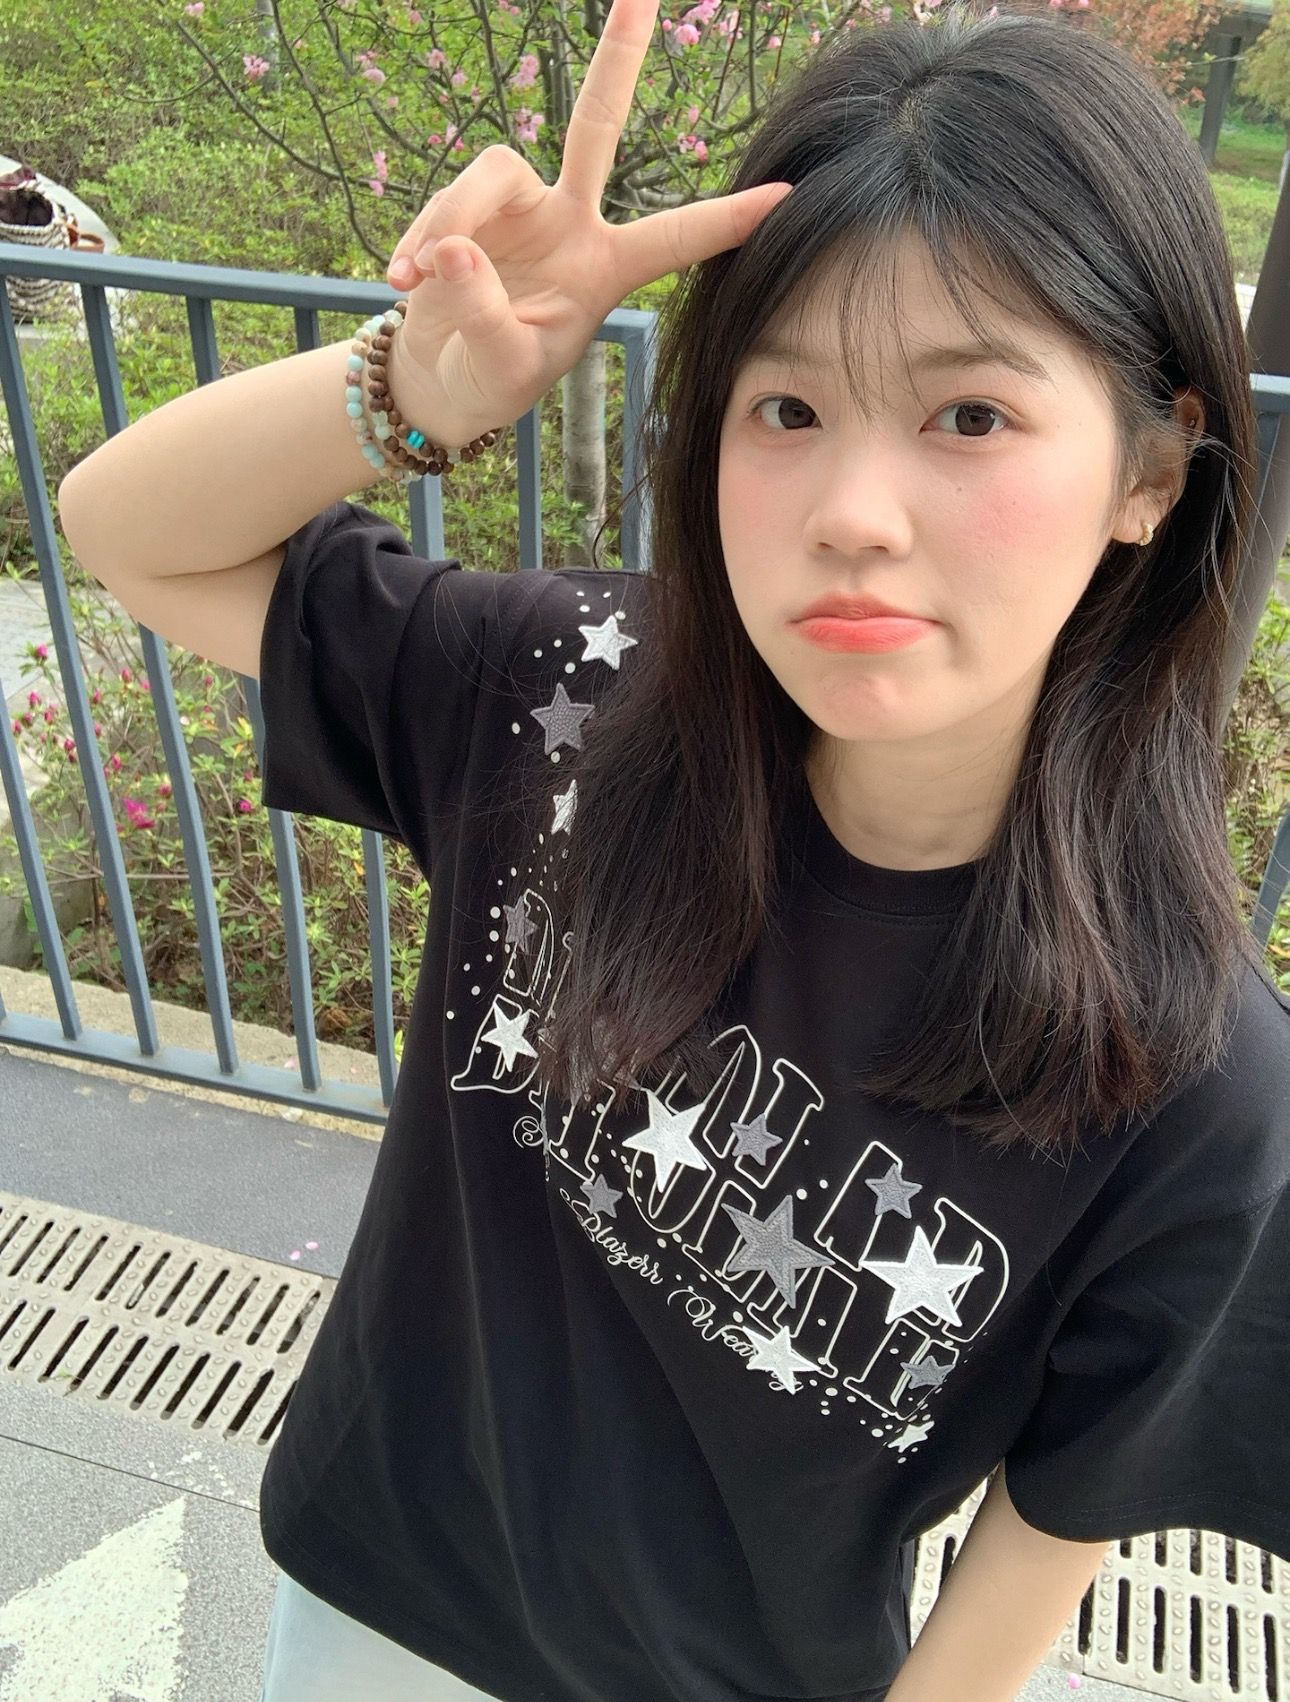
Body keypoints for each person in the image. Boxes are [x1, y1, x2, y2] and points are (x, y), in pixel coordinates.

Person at [56, 0, 1290, 1697]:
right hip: (370, 1607)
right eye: (785, 408)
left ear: (1149, 470)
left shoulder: (1190, 1073)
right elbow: (127, 530)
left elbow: (1054, 1512)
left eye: (968, 417)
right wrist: (409, 388)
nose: (851, 511)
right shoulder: (568, 701)